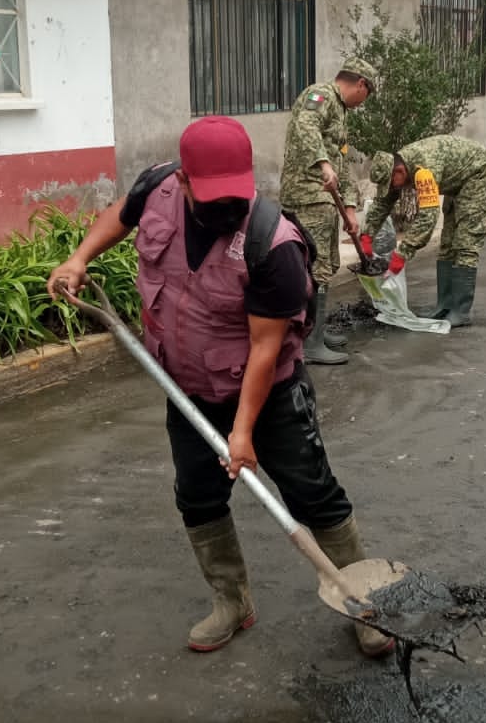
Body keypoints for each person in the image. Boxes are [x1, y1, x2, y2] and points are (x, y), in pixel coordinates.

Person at [47, 117, 392, 659]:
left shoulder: (273, 243)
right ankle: (232, 602)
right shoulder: (157, 187)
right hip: (187, 388)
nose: (229, 209)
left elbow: (265, 348)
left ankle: (363, 603)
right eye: (213, 197)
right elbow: (123, 214)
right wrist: (79, 257)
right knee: (198, 496)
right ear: (182, 181)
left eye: (237, 194)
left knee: (313, 494)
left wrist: (242, 432)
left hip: (268, 392)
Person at [280, 56, 380, 365]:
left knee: (326, 263)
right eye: (367, 94)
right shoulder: (320, 95)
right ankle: (308, 345)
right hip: (308, 195)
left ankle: (315, 332)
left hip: (327, 199)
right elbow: (305, 126)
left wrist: (350, 209)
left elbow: (343, 164)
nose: (364, 103)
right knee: (315, 266)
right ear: (360, 85)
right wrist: (323, 163)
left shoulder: (341, 113)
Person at [360, 135, 486, 328]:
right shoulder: (400, 168)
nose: (393, 188)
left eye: (391, 183)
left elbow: (428, 217)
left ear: (399, 170)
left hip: (481, 177)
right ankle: (444, 306)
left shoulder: (423, 170)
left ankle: (461, 312)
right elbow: (383, 201)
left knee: (465, 244)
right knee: (447, 244)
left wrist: (402, 254)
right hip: (459, 185)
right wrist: (367, 235)